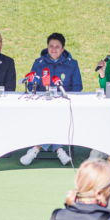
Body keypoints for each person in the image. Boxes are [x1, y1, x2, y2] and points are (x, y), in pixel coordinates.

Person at [20, 33, 81, 167]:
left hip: (64, 105)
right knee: (49, 117)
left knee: (54, 118)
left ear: (63, 48)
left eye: (57, 47)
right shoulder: (38, 63)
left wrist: (63, 97)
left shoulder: (73, 64)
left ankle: (35, 149)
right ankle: (60, 150)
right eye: (51, 46)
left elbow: (77, 87)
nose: (54, 49)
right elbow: (31, 84)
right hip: (43, 104)